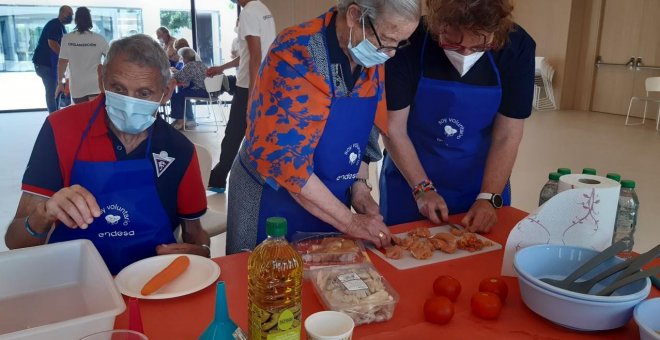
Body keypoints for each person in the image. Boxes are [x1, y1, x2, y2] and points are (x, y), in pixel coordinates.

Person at [225, 0, 420, 254]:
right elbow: (289, 164)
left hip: (329, 202)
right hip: (270, 201)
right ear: (354, 15)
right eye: (386, 39)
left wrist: (359, 186)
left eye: (399, 43)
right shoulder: (295, 53)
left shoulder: (372, 54)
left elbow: (364, 130)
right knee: (265, 283)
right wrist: (350, 221)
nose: (391, 53)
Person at [5, 34, 210, 275]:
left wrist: (203, 252)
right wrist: (45, 212)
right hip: (72, 281)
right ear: (101, 77)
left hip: (150, 284)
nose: (129, 103)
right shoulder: (61, 129)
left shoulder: (178, 149)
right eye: (118, 88)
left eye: (144, 93)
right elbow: (15, 241)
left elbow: (195, 235)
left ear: (165, 92)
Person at [380, 0, 535, 233]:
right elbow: (394, 129)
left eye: (480, 46)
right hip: (409, 177)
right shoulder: (409, 42)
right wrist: (422, 188)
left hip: (480, 181)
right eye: (452, 42)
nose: (465, 53)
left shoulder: (517, 47)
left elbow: (507, 134)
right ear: (436, 23)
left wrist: (488, 196)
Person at [207, 0, 276, 193]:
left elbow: (255, 56)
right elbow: (249, 54)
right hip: (263, 83)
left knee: (233, 135)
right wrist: (221, 68)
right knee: (255, 134)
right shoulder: (263, 9)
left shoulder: (249, 12)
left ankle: (218, 179)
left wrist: (252, 97)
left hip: (249, 87)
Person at [56, 6, 109, 104]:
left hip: (77, 86)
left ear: (76, 20)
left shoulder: (67, 39)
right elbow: (110, 58)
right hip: (95, 85)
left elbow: (62, 62)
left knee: (82, 116)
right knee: (95, 115)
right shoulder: (99, 39)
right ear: (89, 20)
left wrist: (61, 81)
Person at [32, 5, 72, 113]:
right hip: (44, 64)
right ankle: (53, 115)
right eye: (69, 14)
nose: (71, 16)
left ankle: (56, 112)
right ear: (61, 13)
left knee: (56, 88)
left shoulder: (61, 27)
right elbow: (52, 43)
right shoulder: (55, 25)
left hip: (50, 64)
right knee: (51, 91)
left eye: (72, 14)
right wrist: (64, 56)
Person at [170, 47, 208, 130]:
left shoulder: (190, 65)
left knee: (177, 96)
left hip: (200, 91)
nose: (182, 60)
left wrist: (171, 73)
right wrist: (178, 72)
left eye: (182, 58)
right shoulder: (201, 64)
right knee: (182, 93)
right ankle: (182, 120)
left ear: (185, 58)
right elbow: (185, 77)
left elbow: (180, 77)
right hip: (207, 91)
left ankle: (180, 121)